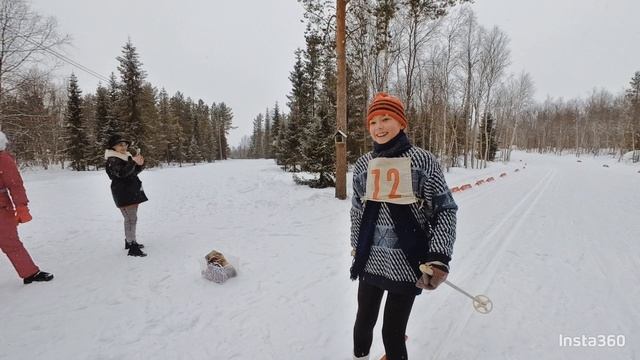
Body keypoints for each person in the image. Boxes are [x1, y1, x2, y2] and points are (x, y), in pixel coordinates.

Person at [350, 93, 458, 360]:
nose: (379, 126)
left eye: (386, 118)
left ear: (401, 123)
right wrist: (356, 245)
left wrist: (439, 257)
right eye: (373, 121)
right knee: (362, 325)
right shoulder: (364, 165)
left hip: (408, 262)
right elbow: (357, 210)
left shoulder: (423, 161)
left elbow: (445, 211)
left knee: (392, 333)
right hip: (371, 259)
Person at [0, 130, 54, 284]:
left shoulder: (3, 159)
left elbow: (15, 185)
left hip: (1, 211)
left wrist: (21, 207)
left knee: (10, 243)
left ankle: (30, 273)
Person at [104, 133, 148, 257]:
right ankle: (132, 245)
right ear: (113, 147)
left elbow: (132, 173)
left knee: (130, 218)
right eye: (120, 145)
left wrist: (140, 164)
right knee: (131, 219)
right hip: (123, 193)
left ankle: (129, 242)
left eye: (125, 144)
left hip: (131, 192)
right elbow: (122, 173)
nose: (123, 147)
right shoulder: (113, 159)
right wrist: (133, 162)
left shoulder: (125, 157)